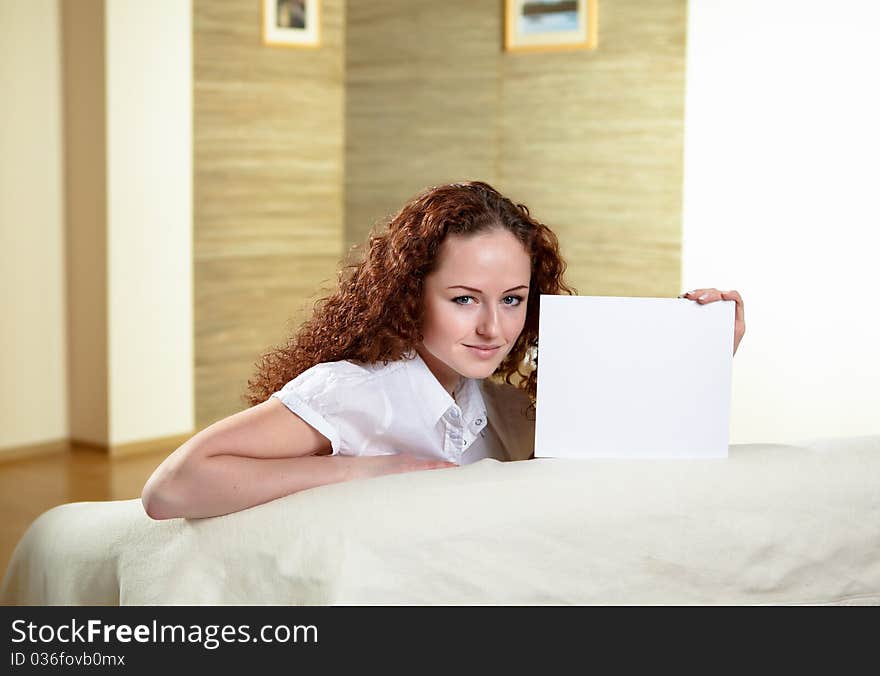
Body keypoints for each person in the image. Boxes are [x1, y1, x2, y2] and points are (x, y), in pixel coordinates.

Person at [141, 181, 745, 520]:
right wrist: (371, 471)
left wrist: (698, 351)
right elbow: (172, 487)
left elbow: (611, 456)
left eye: (512, 299)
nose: (492, 328)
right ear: (410, 295)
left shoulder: (490, 403)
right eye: (463, 300)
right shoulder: (359, 389)